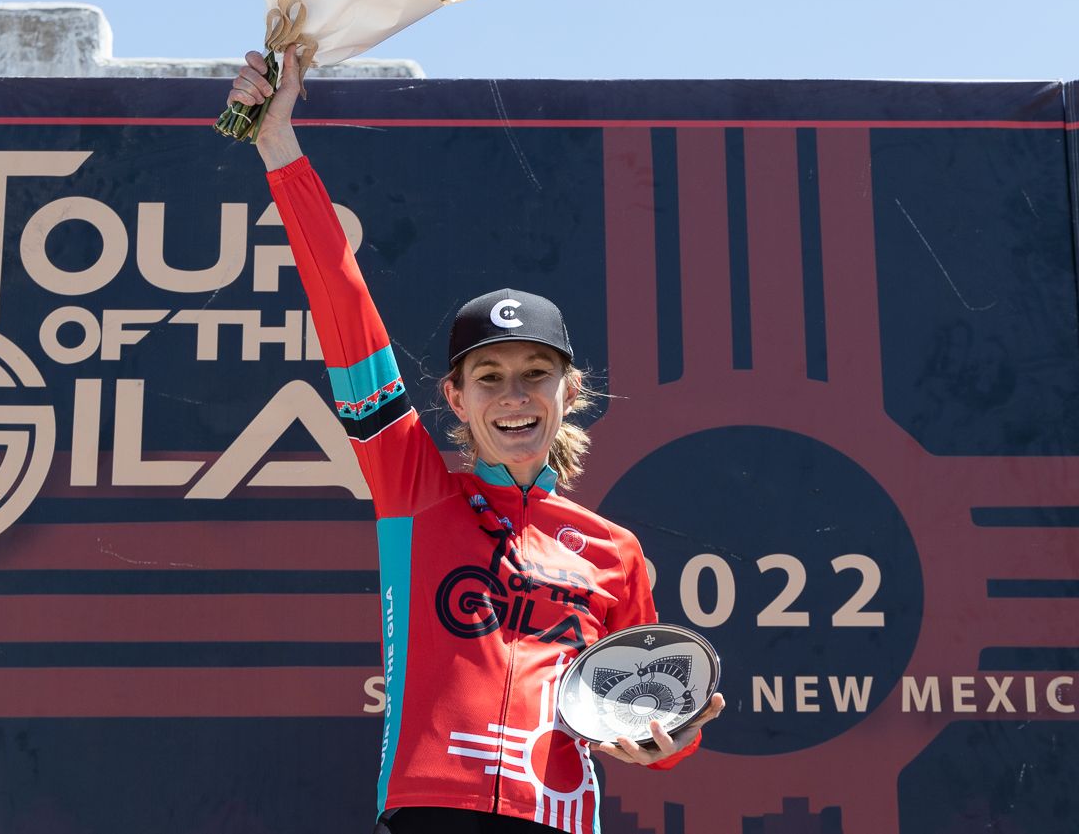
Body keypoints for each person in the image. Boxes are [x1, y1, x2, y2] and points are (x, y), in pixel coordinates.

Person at [229, 46, 725, 834]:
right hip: (431, 812)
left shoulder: (614, 551)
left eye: (536, 373)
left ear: (571, 392)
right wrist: (277, 147)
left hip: (561, 817)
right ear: (455, 398)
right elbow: (343, 305)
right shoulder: (415, 491)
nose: (515, 395)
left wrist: (670, 741)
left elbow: (644, 722)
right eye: (488, 377)